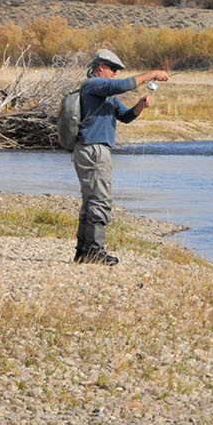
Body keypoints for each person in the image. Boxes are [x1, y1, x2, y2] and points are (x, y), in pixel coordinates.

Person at [71, 48, 169, 265]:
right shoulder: (93, 85)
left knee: (90, 202)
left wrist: (140, 106)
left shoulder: (106, 96)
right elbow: (122, 85)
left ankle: (83, 252)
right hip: (93, 150)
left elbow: (125, 117)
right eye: (113, 69)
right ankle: (94, 251)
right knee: (100, 201)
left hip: (92, 149)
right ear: (101, 68)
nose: (115, 73)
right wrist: (151, 74)